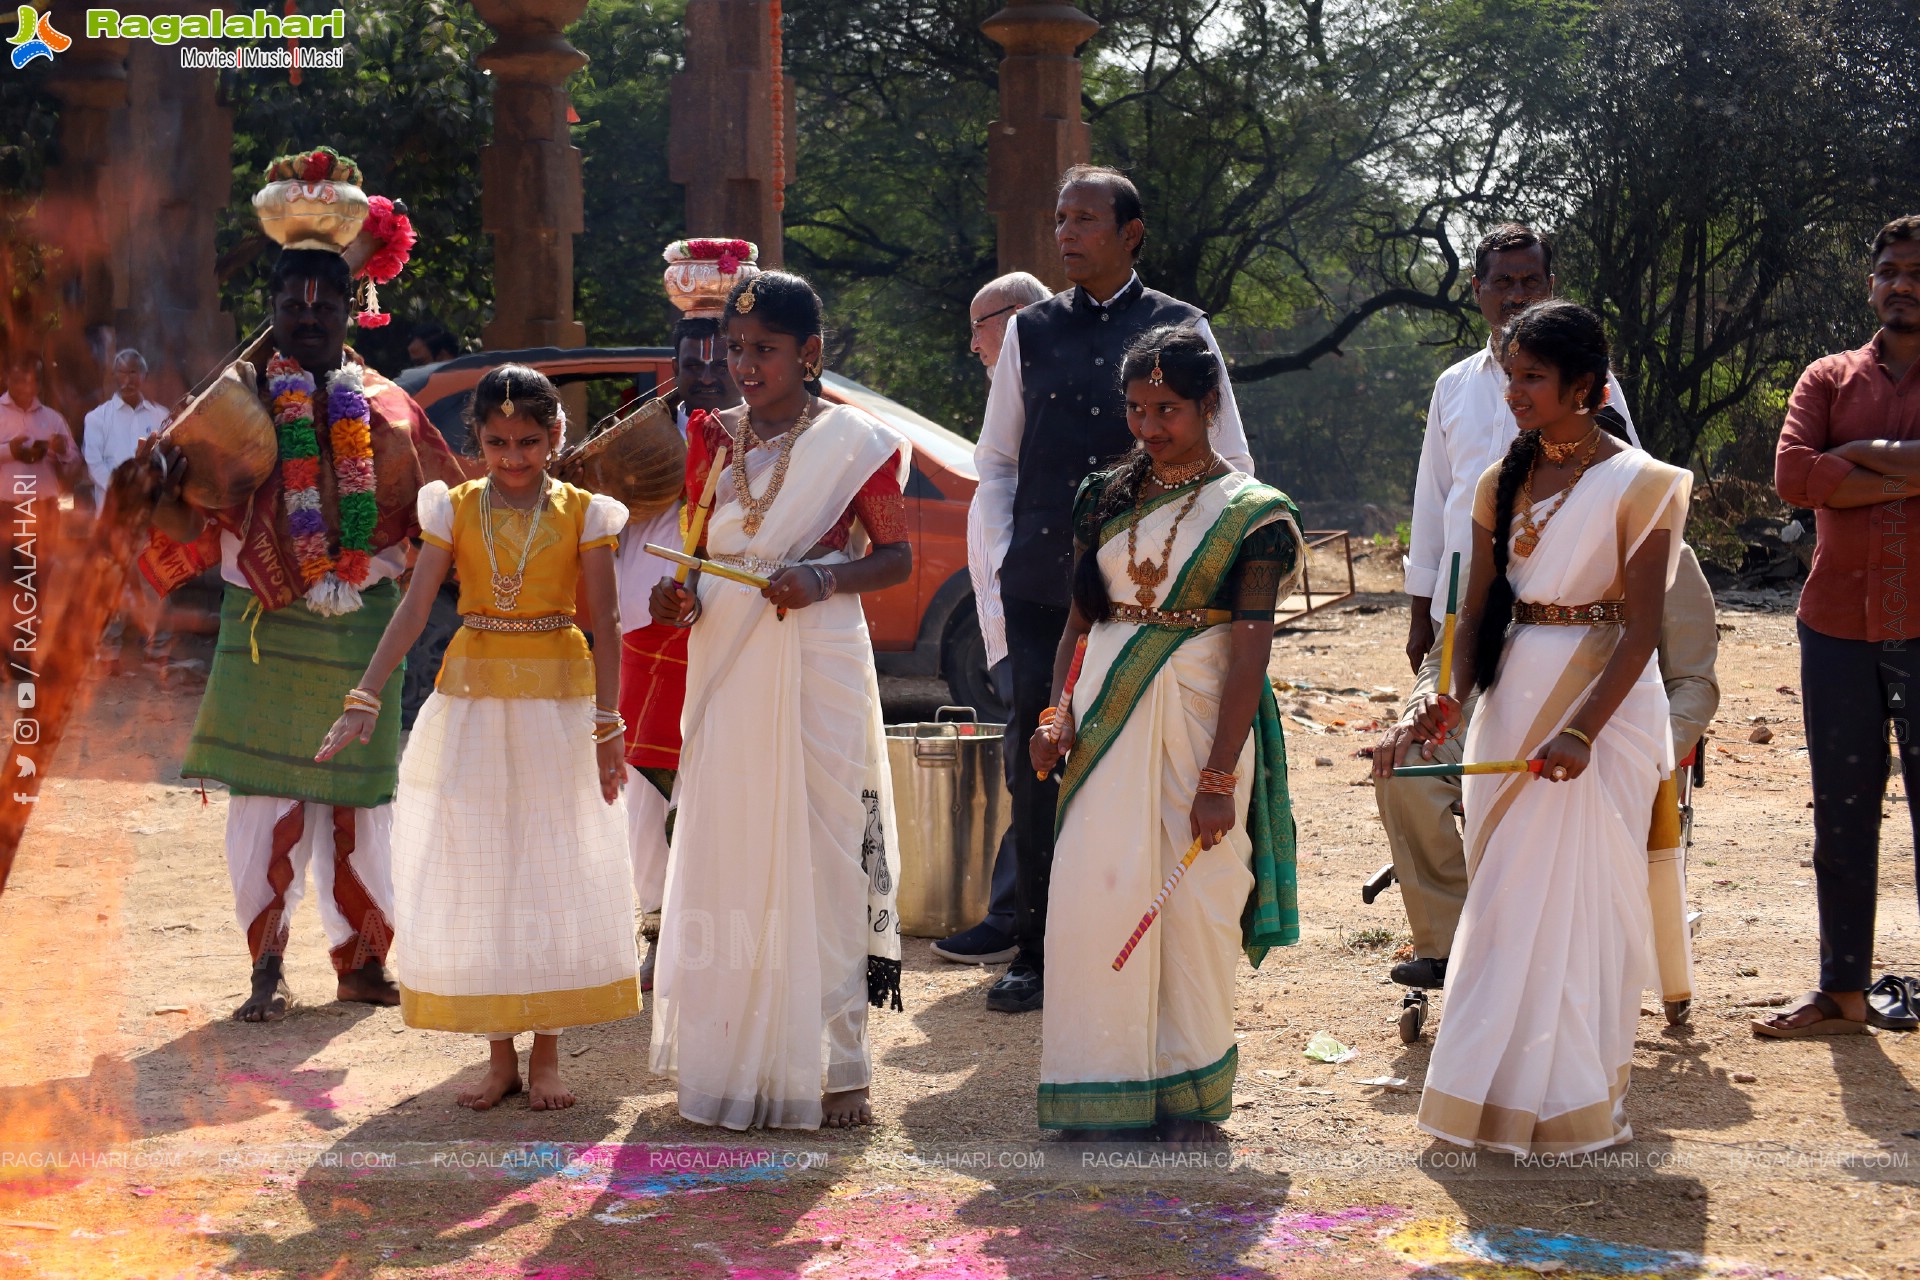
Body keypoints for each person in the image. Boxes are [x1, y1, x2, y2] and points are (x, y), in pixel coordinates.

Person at [137, 149, 461, 1023]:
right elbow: (176, 521)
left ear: (354, 307)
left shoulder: (393, 410)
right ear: (272, 309)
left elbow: (445, 515)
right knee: (265, 804)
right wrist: (161, 479)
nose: (310, 315)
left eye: (326, 300)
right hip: (264, 624)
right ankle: (265, 968)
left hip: (367, 626)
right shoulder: (227, 409)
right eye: (292, 301)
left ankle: (362, 963)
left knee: (362, 805)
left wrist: (390, 568)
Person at [1405, 300, 1690, 1155]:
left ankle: (1568, 1098)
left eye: (1534, 377)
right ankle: (1482, 1094)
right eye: (1512, 374)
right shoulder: (1500, 478)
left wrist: (1582, 733)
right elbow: (1480, 606)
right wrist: (1444, 696)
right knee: (1501, 897)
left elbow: (1640, 633)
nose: (1516, 391)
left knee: (1583, 900)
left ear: (1588, 389)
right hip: (1513, 697)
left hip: (1605, 707)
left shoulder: (1644, 483)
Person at [973, 165, 1256, 1013]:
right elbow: (996, 463)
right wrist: (999, 571)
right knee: (1038, 751)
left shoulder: (1183, 327)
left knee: (1140, 751)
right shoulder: (1029, 331)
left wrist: (1205, 574)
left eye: (1085, 220)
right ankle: (1035, 946)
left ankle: (1140, 927)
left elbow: (1232, 463)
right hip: (1042, 585)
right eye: (1059, 218)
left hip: (1155, 596)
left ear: (1131, 234)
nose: (1066, 234)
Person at [317, 364, 638, 1110]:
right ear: (477, 443)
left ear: (555, 436)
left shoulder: (587, 513)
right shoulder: (452, 508)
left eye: (529, 441)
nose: (514, 457)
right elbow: (413, 608)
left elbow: (610, 625)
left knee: (555, 865)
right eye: (496, 443)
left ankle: (549, 1051)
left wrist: (608, 726)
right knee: (485, 866)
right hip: (472, 704)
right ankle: (499, 1055)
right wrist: (364, 695)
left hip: (560, 705)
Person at [648, 271, 911, 1130]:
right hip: (730, 656)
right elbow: (693, 550)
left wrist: (823, 577)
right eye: (735, 349)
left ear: (811, 353)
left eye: (763, 349)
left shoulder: (855, 441)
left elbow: (896, 558)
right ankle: (730, 1056)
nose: (745, 365)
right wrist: (677, 594)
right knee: (733, 841)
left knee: (828, 846)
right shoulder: (710, 436)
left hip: (818, 657)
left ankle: (838, 1067)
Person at [1029, 325, 1301, 1143]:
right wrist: (1055, 714)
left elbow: (1250, 650)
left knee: (1192, 908)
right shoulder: (1101, 496)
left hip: (1200, 720)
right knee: (1097, 896)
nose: (1149, 427)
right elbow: (1080, 622)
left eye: (1168, 410)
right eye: (1137, 409)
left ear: (1210, 405)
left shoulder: (1256, 517)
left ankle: (1187, 1093)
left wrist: (1219, 779)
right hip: (1104, 718)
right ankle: (1097, 1081)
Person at [1373, 223, 1640, 991]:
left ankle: (1544, 947)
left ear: (1549, 286)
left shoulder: (1599, 390)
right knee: (1412, 772)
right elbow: (1434, 503)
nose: (1516, 294)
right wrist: (1421, 612)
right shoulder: (1454, 387)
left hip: (1575, 634)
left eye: (1531, 281)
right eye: (1502, 283)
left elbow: (1631, 512)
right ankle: (1454, 947)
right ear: (1477, 291)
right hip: (1467, 629)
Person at [1762, 214, 1920, 1037]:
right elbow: (1794, 476)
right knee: (1843, 811)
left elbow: (1824, 473)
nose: (1904, 284)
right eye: (1891, 270)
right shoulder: (1826, 378)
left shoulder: (1840, 406)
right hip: (1836, 630)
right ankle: (1842, 996)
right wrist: (1909, 466)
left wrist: (1853, 458)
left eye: (1918, 272)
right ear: (1871, 283)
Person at [614, 309, 744, 989]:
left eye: (720, 361)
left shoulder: (768, 440)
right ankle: (659, 932)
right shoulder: (640, 443)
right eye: (692, 364)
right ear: (675, 369)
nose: (707, 375)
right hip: (646, 628)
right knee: (645, 789)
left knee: (726, 783)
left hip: (738, 631)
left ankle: (724, 930)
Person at [937, 270, 1053, 967]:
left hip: (1039, 615)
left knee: (1033, 767)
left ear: (1013, 321)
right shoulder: (1004, 399)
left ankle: (1019, 918)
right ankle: (1017, 912)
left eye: (979, 324)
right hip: (1003, 624)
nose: (972, 342)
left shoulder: (1050, 397)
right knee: (1025, 765)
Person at [83, 349, 173, 664]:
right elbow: (95, 466)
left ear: (144, 376)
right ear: (114, 377)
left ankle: (158, 645)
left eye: (134, 372)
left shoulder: (161, 416)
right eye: (122, 373)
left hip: (151, 519)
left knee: (156, 579)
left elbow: (166, 464)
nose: (128, 379)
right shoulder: (96, 418)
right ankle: (108, 650)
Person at [0, 352, 86, 642]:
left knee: (38, 580)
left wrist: (61, 450)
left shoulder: (53, 419)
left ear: (38, 383)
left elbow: (75, 464)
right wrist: (9, 451)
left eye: (30, 380)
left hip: (43, 510)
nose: (24, 386)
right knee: (5, 580)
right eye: (17, 379)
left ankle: (25, 650)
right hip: (5, 510)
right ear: (6, 378)